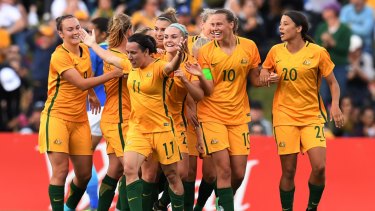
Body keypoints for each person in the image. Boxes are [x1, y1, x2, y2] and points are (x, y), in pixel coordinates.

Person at [260, 10, 344, 211]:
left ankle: (311, 208)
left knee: (320, 167)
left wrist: (335, 105)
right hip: (284, 115)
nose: (281, 27)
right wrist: (265, 75)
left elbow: (333, 83)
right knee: (288, 171)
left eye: (286, 24)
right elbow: (264, 70)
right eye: (280, 24)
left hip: (311, 116)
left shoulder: (317, 52)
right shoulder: (275, 51)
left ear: (299, 29)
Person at [37, 14, 123, 211]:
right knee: (61, 170)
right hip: (57, 117)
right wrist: (112, 74)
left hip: (80, 118)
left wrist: (92, 94)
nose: (75, 32)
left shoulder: (85, 50)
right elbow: (81, 82)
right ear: (60, 33)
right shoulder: (59, 56)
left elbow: (86, 77)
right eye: (70, 29)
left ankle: (69, 207)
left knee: (84, 174)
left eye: (77, 27)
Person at [196, 9, 269, 211]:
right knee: (223, 170)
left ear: (231, 24)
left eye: (219, 24)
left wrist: (267, 79)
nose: (214, 28)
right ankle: (222, 207)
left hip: (238, 116)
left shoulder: (249, 46)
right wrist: (196, 77)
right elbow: (208, 86)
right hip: (212, 115)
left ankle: (221, 201)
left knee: (238, 173)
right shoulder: (205, 52)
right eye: (212, 25)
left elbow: (254, 78)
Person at [85, 16, 109, 211]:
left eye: (91, 30)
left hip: (94, 109)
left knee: (85, 156)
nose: (88, 35)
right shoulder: (123, 50)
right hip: (116, 109)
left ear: (102, 33)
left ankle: (94, 205)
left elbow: (88, 77)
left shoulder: (93, 50)